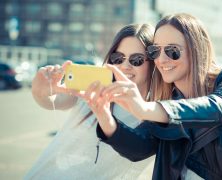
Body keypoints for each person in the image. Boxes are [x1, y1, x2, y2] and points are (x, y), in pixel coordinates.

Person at [83, 13, 222, 179]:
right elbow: (139, 148)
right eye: (155, 51)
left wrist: (145, 109)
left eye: (173, 51)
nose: (161, 59)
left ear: (196, 50)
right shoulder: (168, 106)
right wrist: (104, 116)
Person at [24, 24, 155, 180]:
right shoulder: (94, 87)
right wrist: (40, 90)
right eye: (118, 58)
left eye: (137, 59)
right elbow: (52, 101)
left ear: (152, 63)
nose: (125, 66)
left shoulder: (155, 113)